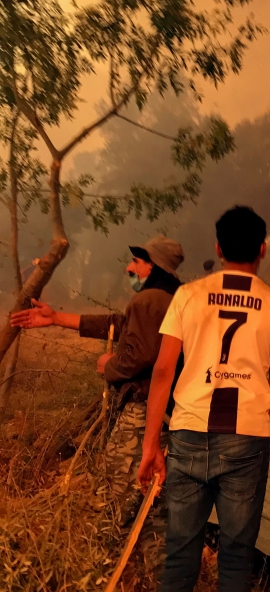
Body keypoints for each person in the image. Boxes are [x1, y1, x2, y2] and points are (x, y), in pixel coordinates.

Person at [137, 206, 270, 592]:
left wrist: (150, 445)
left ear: (218, 247)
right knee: (236, 559)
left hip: (188, 431)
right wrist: (262, 434)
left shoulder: (188, 295)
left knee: (180, 555)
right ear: (262, 249)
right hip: (247, 438)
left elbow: (162, 371)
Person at [10, 235, 184, 578]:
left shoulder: (148, 300)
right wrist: (57, 317)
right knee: (151, 507)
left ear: (153, 266)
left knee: (116, 498)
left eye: (137, 262)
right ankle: (155, 579)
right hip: (168, 419)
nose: (130, 267)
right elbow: (120, 326)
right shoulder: (172, 300)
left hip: (141, 416)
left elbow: (140, 355)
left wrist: (111, 367)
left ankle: (100, 573)